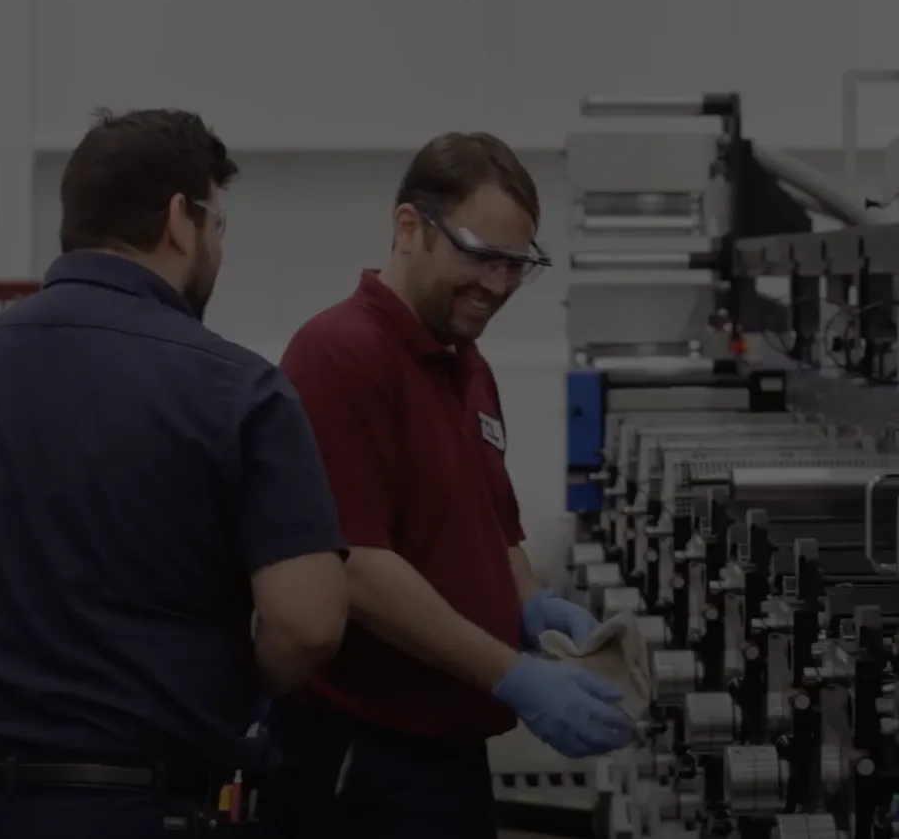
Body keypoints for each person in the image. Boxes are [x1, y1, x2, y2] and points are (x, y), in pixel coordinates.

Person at [0, 108, 349, 839]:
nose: (217, 247)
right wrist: (229, 693)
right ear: (181, 220)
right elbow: (307, 621)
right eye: (219, 227)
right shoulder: (238, 392)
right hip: (139, 804)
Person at [260, 132, 636, 839]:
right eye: (481, 256)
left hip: (445, 751)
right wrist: (512, 674)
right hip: (361, 758)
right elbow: (358, 566)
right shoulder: (342, 354)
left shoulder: (466, 364)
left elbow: (494, 526)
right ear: (411, 228)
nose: (497, 287)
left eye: (516, 266)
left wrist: (531, 604)